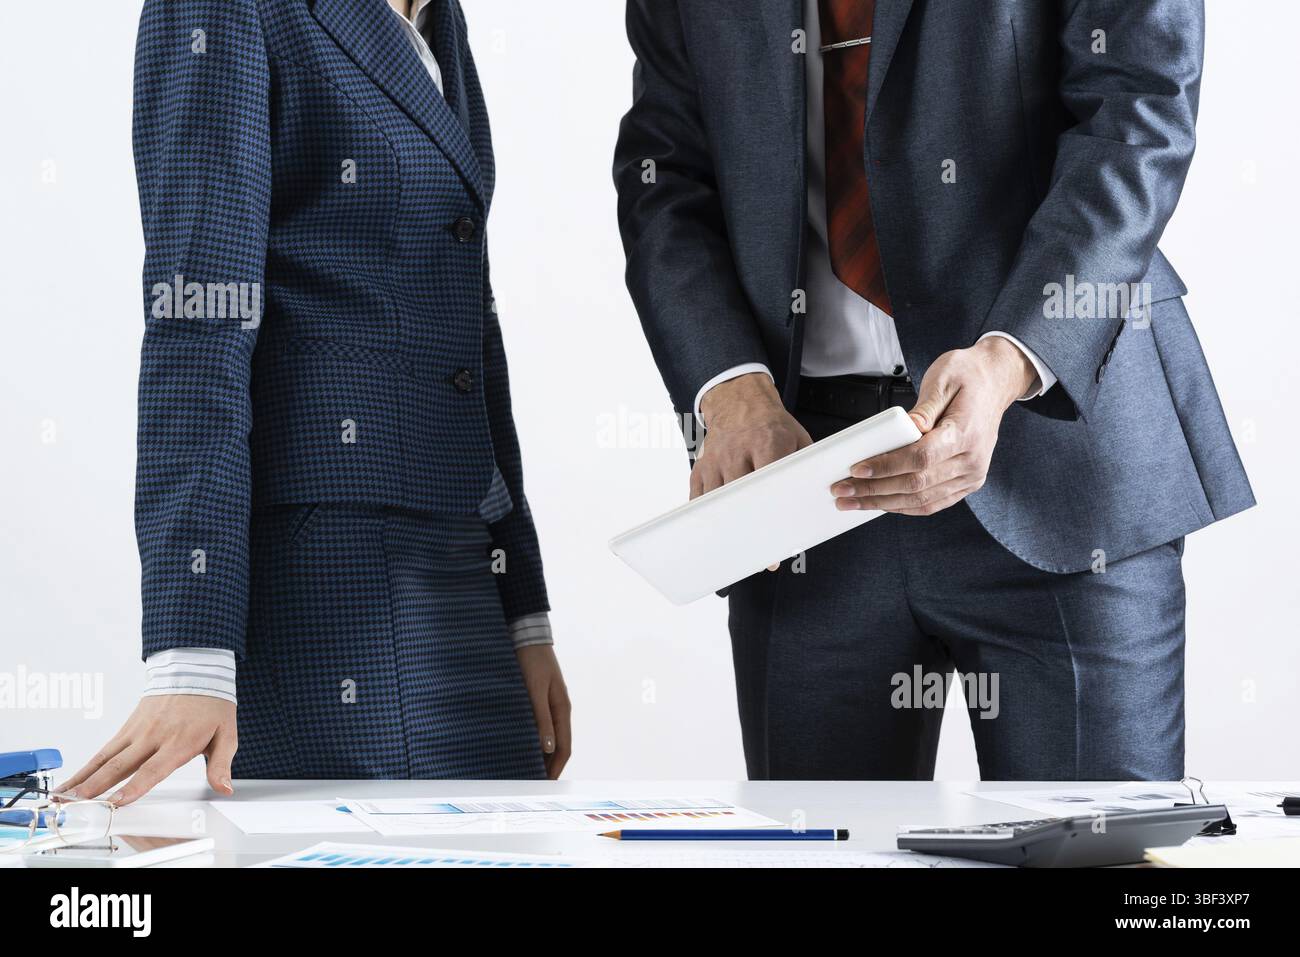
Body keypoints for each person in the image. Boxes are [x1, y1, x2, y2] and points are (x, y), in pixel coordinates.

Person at [613, 0, 1253, 780]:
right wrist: (731, 390)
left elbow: (1139, 115)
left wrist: (1011, 356)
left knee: (1098, 855)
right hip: (809, 485)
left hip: (1064, 467)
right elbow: (664, 174)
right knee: (819, 855)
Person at [59, 0, 570, 806]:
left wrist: (522, 610)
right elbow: (199, 315)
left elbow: (473, 323)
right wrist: (189, 647)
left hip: (461, 572)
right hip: (333, 578)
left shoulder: (441, 21)